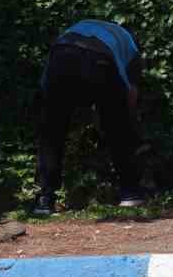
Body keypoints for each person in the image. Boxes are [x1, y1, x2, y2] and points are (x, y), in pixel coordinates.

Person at [34, 19, 145, 216]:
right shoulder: (130, 45)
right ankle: (130, 193)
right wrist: (118, 117)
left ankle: (45, 200)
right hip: (100, 59)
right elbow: (131, 94)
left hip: (61, 56)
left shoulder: (79, 27)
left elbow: (46, 88)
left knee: (51, 132)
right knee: (118, 127)